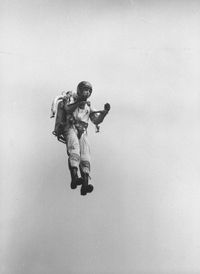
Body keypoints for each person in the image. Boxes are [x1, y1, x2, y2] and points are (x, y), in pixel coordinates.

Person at [53, 81, 111, 196]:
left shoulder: (88, 106)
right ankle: (74, 178)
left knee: (85, 156)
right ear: (79, 90)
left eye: (89, 91)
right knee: (74, 150)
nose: (87, 92)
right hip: (71, 127)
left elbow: (96, 120)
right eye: (85, 89)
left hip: (83, 131)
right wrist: (79, 101)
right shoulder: (71, 100)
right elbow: (67, 109)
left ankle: (85, 184)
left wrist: (104, 113)